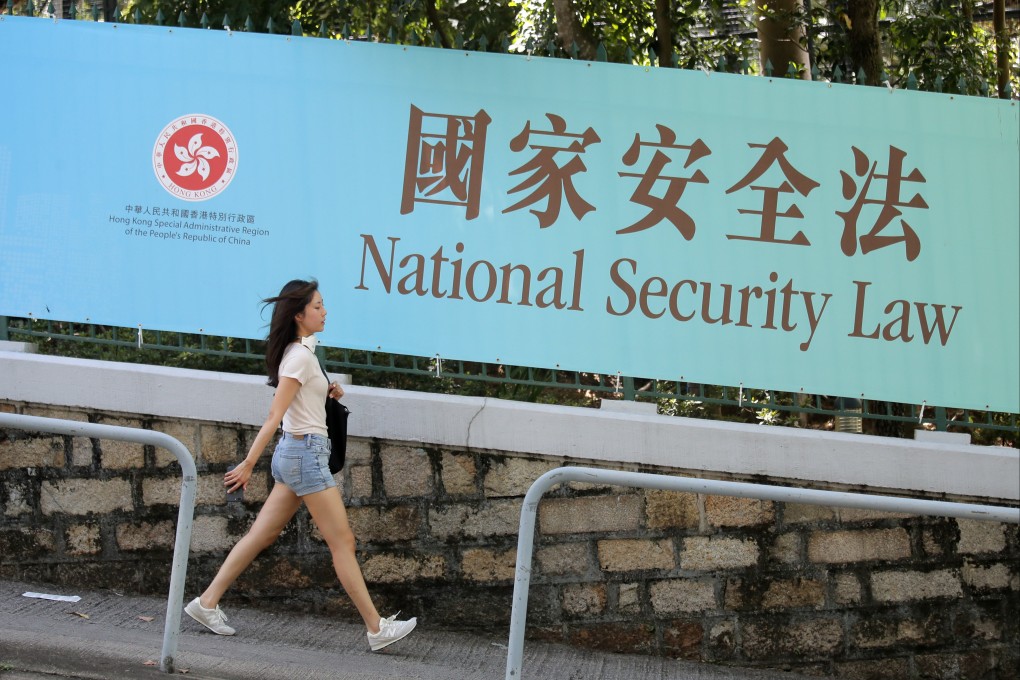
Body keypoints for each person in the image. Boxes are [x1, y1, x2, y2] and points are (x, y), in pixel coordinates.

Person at [184, 279, 416, 652]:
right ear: (299, 315)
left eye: (324, 305)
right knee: (343, 542)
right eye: (319, 306)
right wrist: (247, 465)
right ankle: (376, 629)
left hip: (298, 454)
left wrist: (328, 390)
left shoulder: (301, 355)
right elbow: (275, 415)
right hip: (304, 456)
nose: (325, 312)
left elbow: (299, 401)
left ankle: (206, 602)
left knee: (261, 535)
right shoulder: (299, 358)